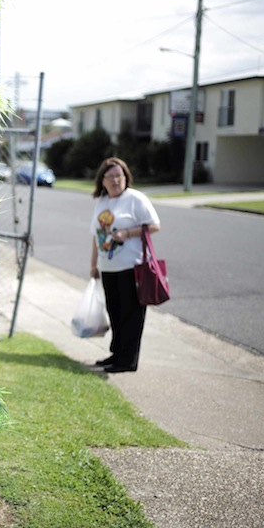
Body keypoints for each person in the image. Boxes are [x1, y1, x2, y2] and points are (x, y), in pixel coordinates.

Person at [89, 157, 161, 372]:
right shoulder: (101, 202)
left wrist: (127, 233)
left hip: (132, 266)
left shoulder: (135, 199)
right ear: (102, 181)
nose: (115, 180)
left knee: (131, 315)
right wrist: (93, 264)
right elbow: (96, 236)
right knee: (115, 313)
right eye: (110, 177)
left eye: (119, 176)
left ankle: (128, 360)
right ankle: (117, 354)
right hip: (108, 267)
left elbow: (155, 226)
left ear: (125, 178)